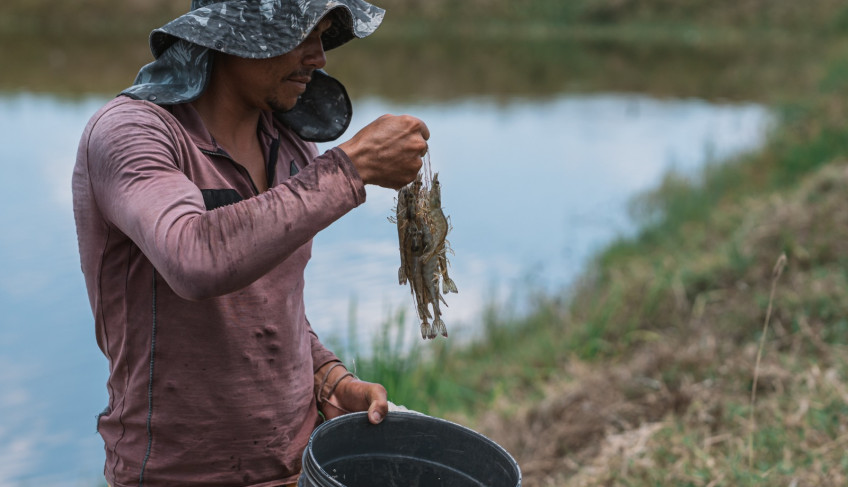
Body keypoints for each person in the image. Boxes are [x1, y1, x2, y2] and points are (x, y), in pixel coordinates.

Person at [72, 1, 429, 485]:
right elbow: (192, 259)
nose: (319, 57)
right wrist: (351, 168)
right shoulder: (133, 133)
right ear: (230, 33)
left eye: (322, 35)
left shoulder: (291, 143)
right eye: (301, 33)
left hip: (297, 466)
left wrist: (330, 380)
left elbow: (273, 305)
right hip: (176, 475)